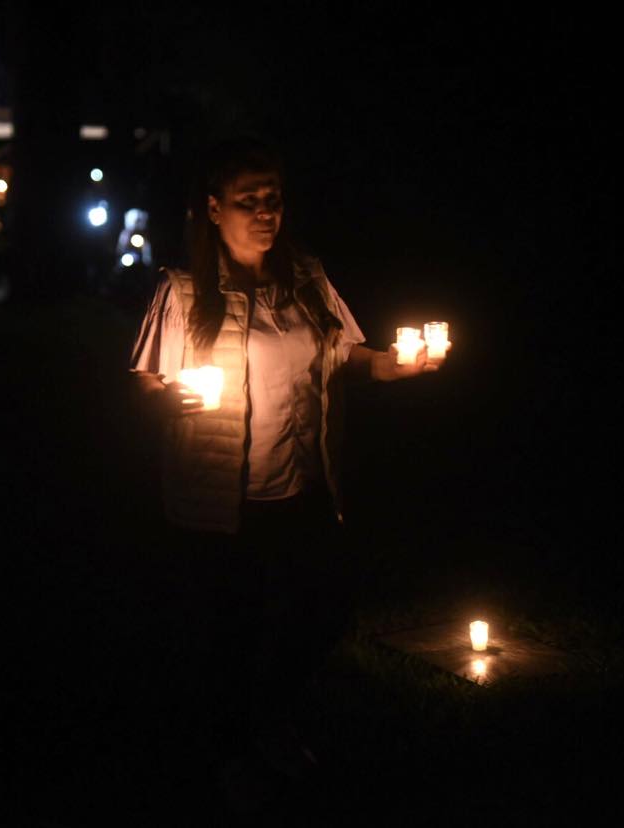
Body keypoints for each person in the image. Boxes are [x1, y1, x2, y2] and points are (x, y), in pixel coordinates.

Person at [128, 137, 447, 801]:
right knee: (232, 629)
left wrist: (390, 365)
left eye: (274, 198)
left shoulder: (304, 275)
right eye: (250, 200)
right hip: (229, 496)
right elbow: (149, 385)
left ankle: (267, 715)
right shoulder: (184, 292)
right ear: (213, 209)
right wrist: (172, 399)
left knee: (326, 605)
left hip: (304, 482)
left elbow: (346, 351)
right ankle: (230, 754)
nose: (267, 211)